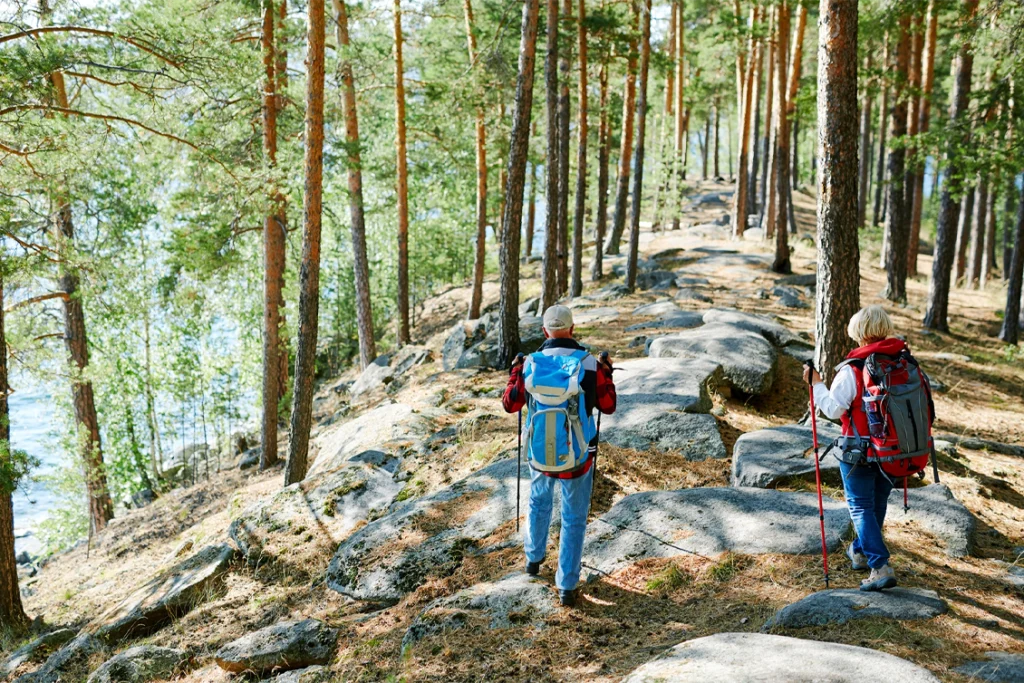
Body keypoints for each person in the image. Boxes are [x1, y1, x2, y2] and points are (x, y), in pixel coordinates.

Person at [502, 304, 616, 607]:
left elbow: (510, 405)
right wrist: (607, 372)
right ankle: (566, 585)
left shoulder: (531, 363)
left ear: (544, 332)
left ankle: (533, 559)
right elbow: (607, 405)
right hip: (578, 455)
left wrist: (515, 371)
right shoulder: (588, 363)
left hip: (539, 453)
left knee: (538, 501)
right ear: (573, 329)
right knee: (574, 518)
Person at [804, 305, 911, 592]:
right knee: (876, 504)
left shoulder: (854, 369)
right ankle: (860, 552)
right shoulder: (902, 363)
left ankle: (880, 565)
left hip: (859, 450)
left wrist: (816, 385)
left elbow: (832, 408)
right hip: (895, 451)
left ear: (858, 332)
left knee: (861, 507)